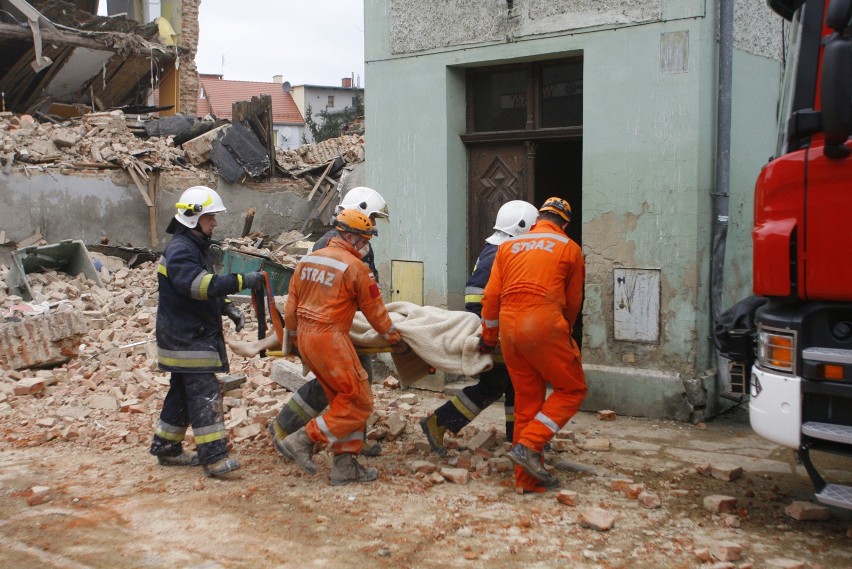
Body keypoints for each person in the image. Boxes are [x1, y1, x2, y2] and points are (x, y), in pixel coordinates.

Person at [277, 209, 411, 485]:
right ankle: (304, 439)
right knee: (360, 403)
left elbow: (291, 303)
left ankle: (345, 466)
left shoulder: (309, 260)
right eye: (363, 240)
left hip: (306, 337)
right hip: (330, 339)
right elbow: (376, 313)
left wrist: (291, 340)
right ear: (348, 236)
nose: (365, 246)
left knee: (343, 401)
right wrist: (396, 341)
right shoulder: (355, 268)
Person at [150, 186, 266, 478]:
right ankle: (214, 458)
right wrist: (242, 281)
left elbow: (203, 285)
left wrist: (226, 306)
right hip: (187, 338)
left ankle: (167, 447)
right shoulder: (180, 250)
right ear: (193, 218)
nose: (214, 222)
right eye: (210, 217)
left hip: (185, 334)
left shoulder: (192, 247)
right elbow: (199, 286)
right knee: (205, 392)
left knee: (181, 391)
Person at [268, 186, 389, 458]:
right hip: (328, 329)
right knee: (333, 386)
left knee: (354, 384)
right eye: (373, 219)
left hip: (342, 324)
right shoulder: (330, 245)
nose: (374, 226)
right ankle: (284, 426)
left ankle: (351, 445)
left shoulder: (357, 242)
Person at [479, 197, 587, 493]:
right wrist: (566, 333)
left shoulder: (509, 247)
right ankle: (530, 444)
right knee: (572, 389)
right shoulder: (569, 248)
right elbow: (573, 301)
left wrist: (488, 339)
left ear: (538, 219)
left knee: (527, 400)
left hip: (511, 330)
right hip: (544, 324)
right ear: (564, 223)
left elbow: (490, 299)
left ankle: (527, 481)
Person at [420, 200, 539, 456]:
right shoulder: (498, 253)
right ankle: (438, 423)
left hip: (502, 330)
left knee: (512, 386)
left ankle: (519, 438)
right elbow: (475, 295)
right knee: (493, 385)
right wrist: (487, 330)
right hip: (495, 332)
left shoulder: (500, 249)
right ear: (523, 228)